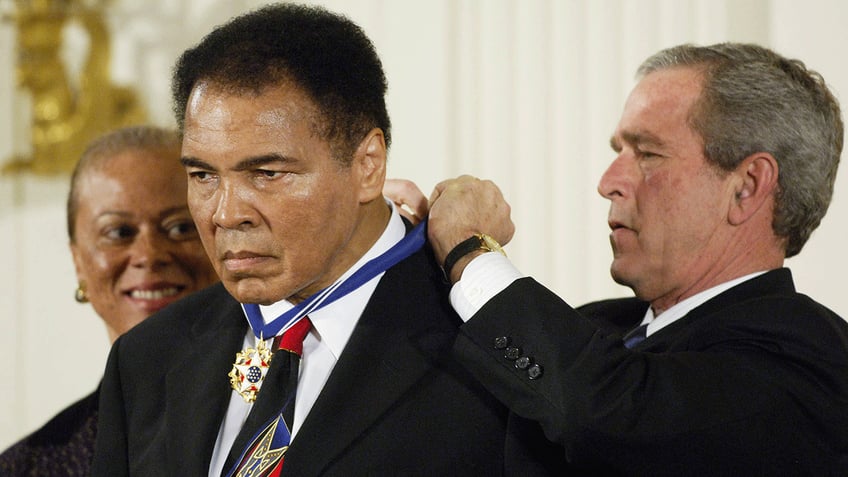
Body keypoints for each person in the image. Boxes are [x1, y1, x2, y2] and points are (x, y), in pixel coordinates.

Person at [90, 4, 560, 476]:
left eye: (267, 173)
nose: (226, 214)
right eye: (203, 175)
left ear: (367, 165)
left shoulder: (496, 359)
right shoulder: (148, 360)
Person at [389, 42, 848, 474]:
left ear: (746, 186)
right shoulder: (602, 327)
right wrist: (399, 248)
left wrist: (470, 250)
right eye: (619, 152)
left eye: (647, 153)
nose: (609, 181)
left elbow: (609, 412)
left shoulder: (811, 361)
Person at [0, 125, 219, 476]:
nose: (149, 255)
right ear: (78, 263)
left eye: (180, 227)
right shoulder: (29, 467)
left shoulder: (294, 412)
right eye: (119, 233)